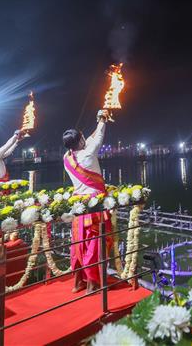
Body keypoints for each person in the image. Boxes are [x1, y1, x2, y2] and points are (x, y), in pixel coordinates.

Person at [63, 110, 114, 293]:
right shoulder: (88, 154)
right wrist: (101, 119)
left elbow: (90, 139)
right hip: (94, 206)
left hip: (79, 206)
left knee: (78, 243)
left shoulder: (67, 158)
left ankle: (78, 282)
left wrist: (98, 120)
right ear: (81, 141)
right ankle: (92, 284)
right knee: (95, 243)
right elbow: (98, 136)